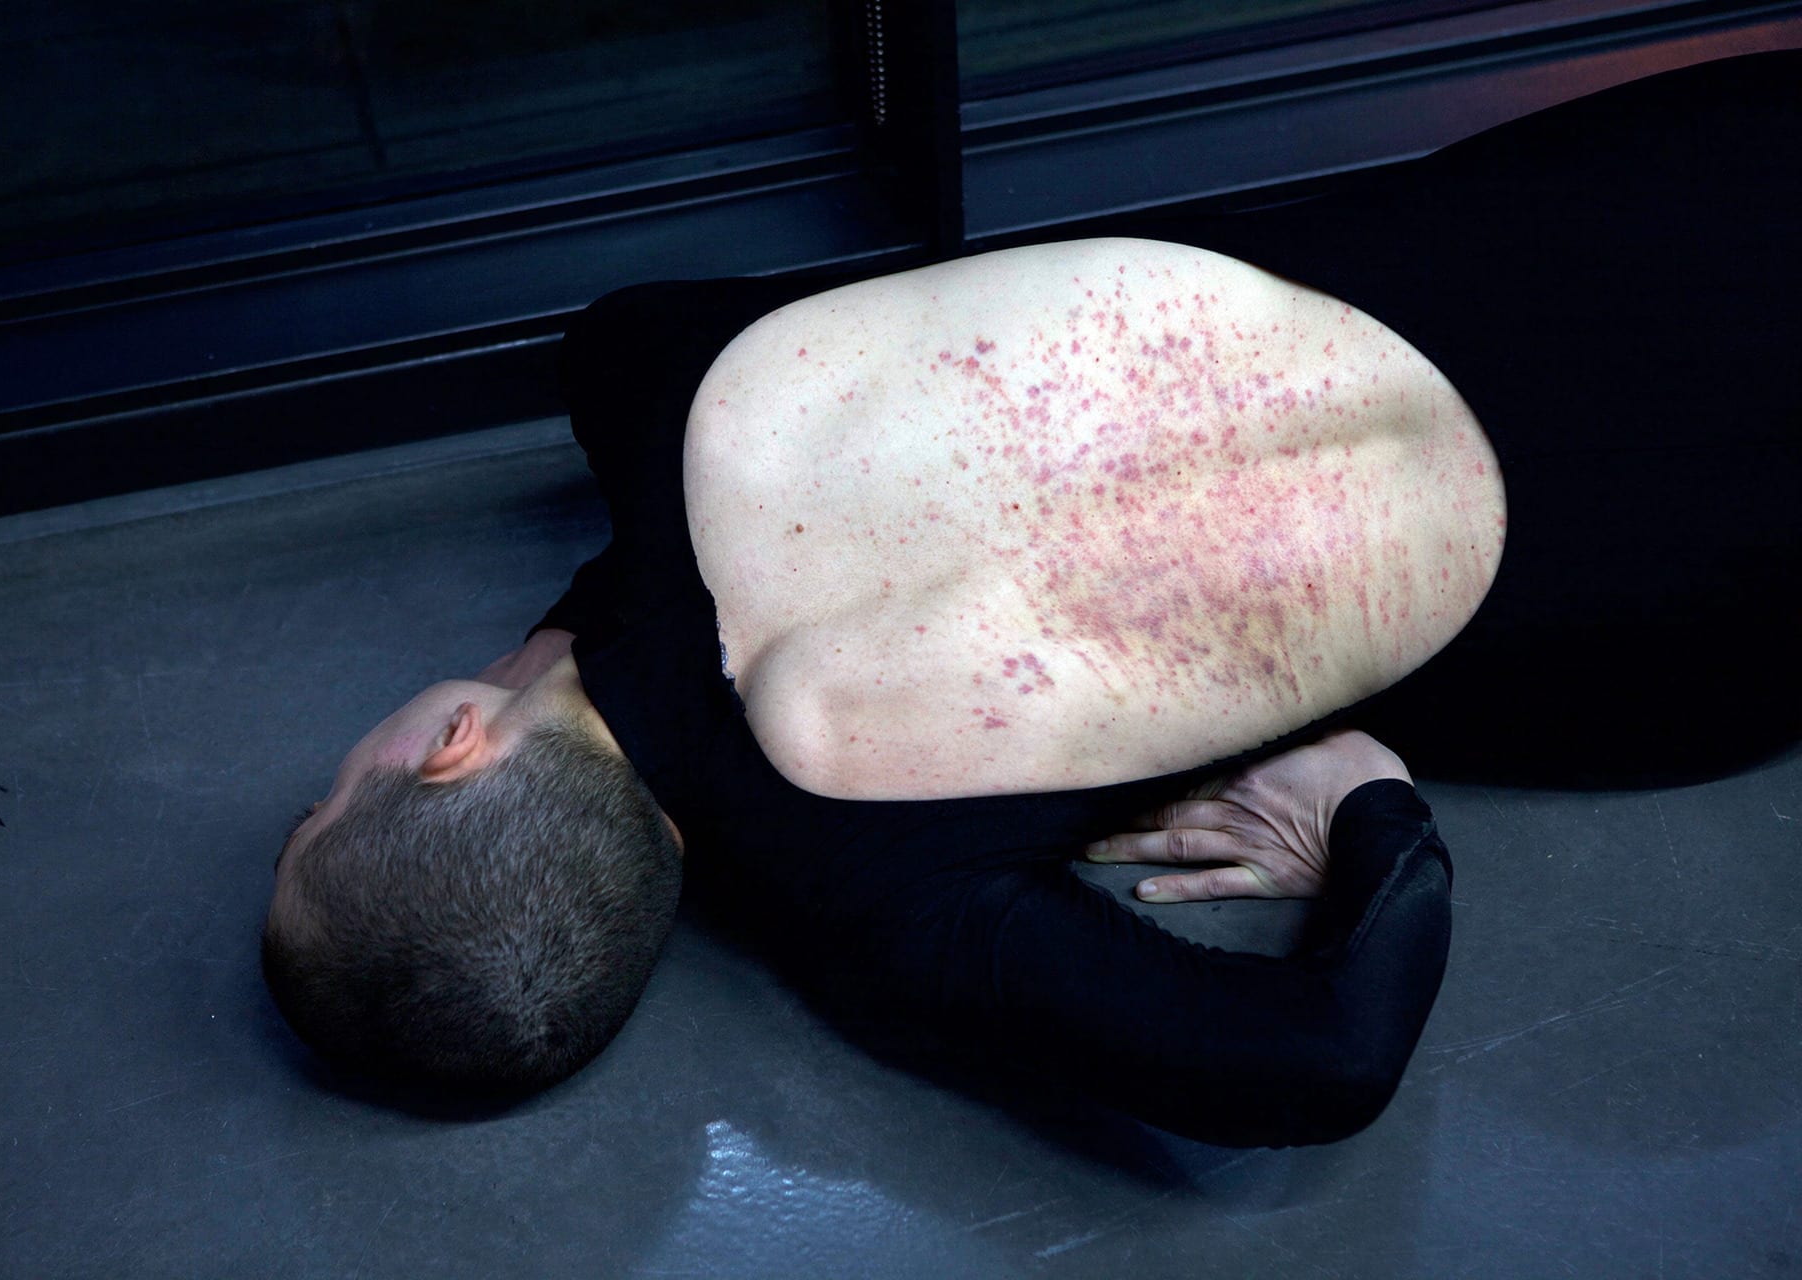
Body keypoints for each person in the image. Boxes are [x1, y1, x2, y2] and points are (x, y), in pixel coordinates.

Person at [263, 51, 1800, 1146]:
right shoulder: (645, 380)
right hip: (1681, 184)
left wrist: (1376, 809)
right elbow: (621, 358)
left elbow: (1319, 1067)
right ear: (450, 740)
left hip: (1705, 588)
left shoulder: (877, 901)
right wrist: (566, 647)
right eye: (321, 807)